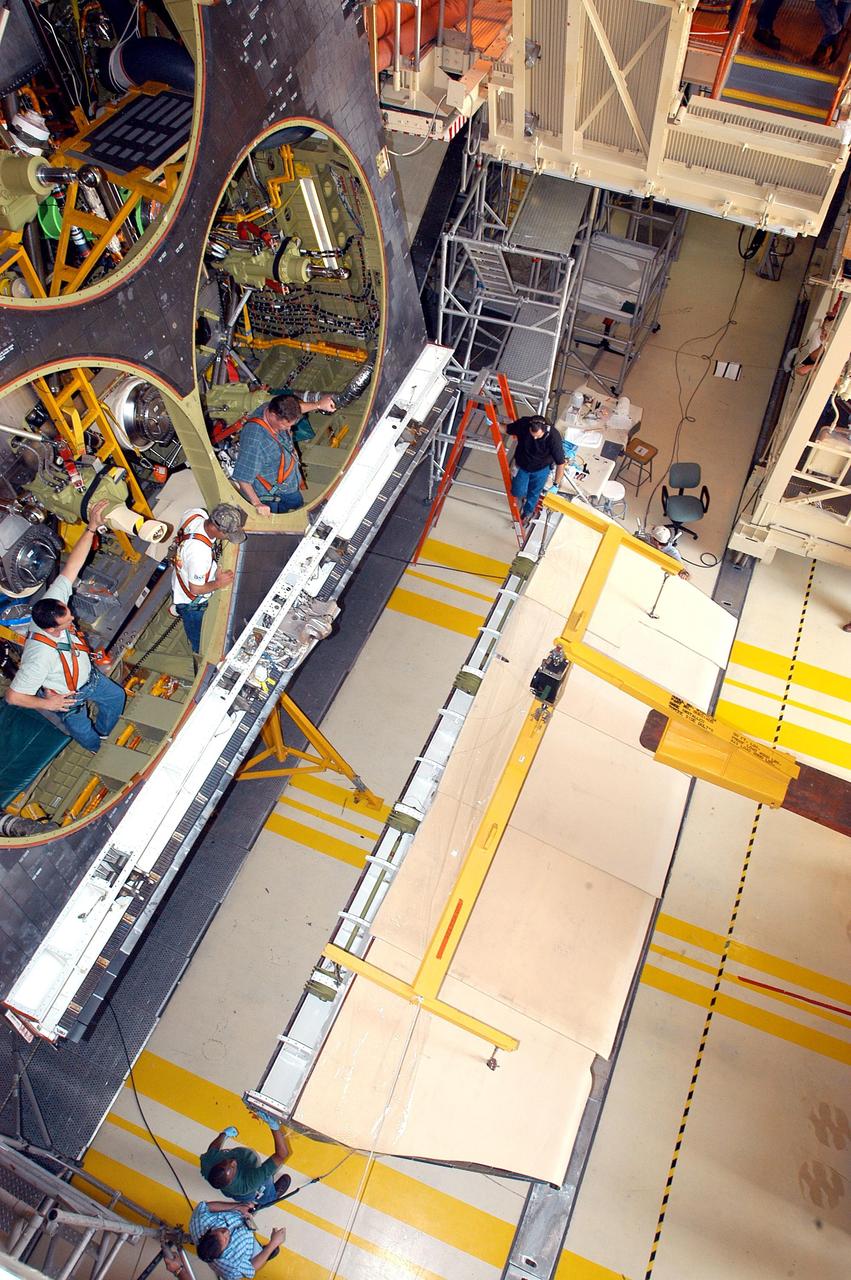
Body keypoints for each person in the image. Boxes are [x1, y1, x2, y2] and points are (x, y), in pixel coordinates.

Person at [5, 500, 126, 752]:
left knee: (116, 698)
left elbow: (72, 567)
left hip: (90, 678)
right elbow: (13, 696)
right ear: (50, 629)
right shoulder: (39, 657)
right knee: (81, 730)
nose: (72, 618)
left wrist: (91, 528)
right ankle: (95, 748)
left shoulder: (53, 603)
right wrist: (49, 704)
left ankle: (103, 733)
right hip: (67, 697)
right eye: (67, 620)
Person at [232, 392, 336, 515]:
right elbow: (243, 478)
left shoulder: (271, 407)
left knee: (296, 502)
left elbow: (298, 408)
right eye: (284, 425)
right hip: (271, 493)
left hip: (290, 483)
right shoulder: (255, 440)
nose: (288, 429)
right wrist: (257, 503)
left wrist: (318, 405)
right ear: (272, 415)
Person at [171, 504, 246, 655]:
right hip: (191, 603)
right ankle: (197, 650)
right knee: (201, 642)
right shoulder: (200, 555)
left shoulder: (195, 513)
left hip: (180, 579)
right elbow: (196, 589)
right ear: (217, 530)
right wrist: (219, 583)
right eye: (227, 535)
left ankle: (176, 606)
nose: (227, 538)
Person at [166, 1203, 285, 1280]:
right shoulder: (232, 1268)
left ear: (206, 1233)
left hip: (242, 1215)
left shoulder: (198, 1222)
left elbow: (207, 1206)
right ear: (221, 1255)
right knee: (262, 1253)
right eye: (227, 1239)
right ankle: (266, 1253)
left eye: (221, 1230)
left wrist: (238, 1207)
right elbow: (252, 1267)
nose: (227, 1232)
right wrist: (273, 1243)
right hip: (251, 1248)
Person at [200, 1119, 292, 1208]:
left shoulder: (208, 1163)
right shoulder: (249, 1182)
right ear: (232, 1178)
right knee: (265, 1182)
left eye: (226, 1161)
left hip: (232, 1191)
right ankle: (270, 1197)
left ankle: (248, 1199)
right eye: (232, 1167)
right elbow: (282, 1154)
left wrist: (224, 1134)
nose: (233, 1161)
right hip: (249, 1190)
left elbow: (212, 1150)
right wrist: (274, 1126)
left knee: (239, 1195)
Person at [505, 413, 566, 521]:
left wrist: (556, 484)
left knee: (534, 493)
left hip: (541, 469)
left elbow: (561, 463)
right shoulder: (523, 424)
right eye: (532, 435)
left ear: (545, 429)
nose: (535, 438)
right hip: (523, 465)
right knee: (517, 491)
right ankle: (524, 494)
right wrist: (493, 424)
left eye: (538, 436)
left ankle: (528, 512)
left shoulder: (553, 437)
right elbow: (507, 429)